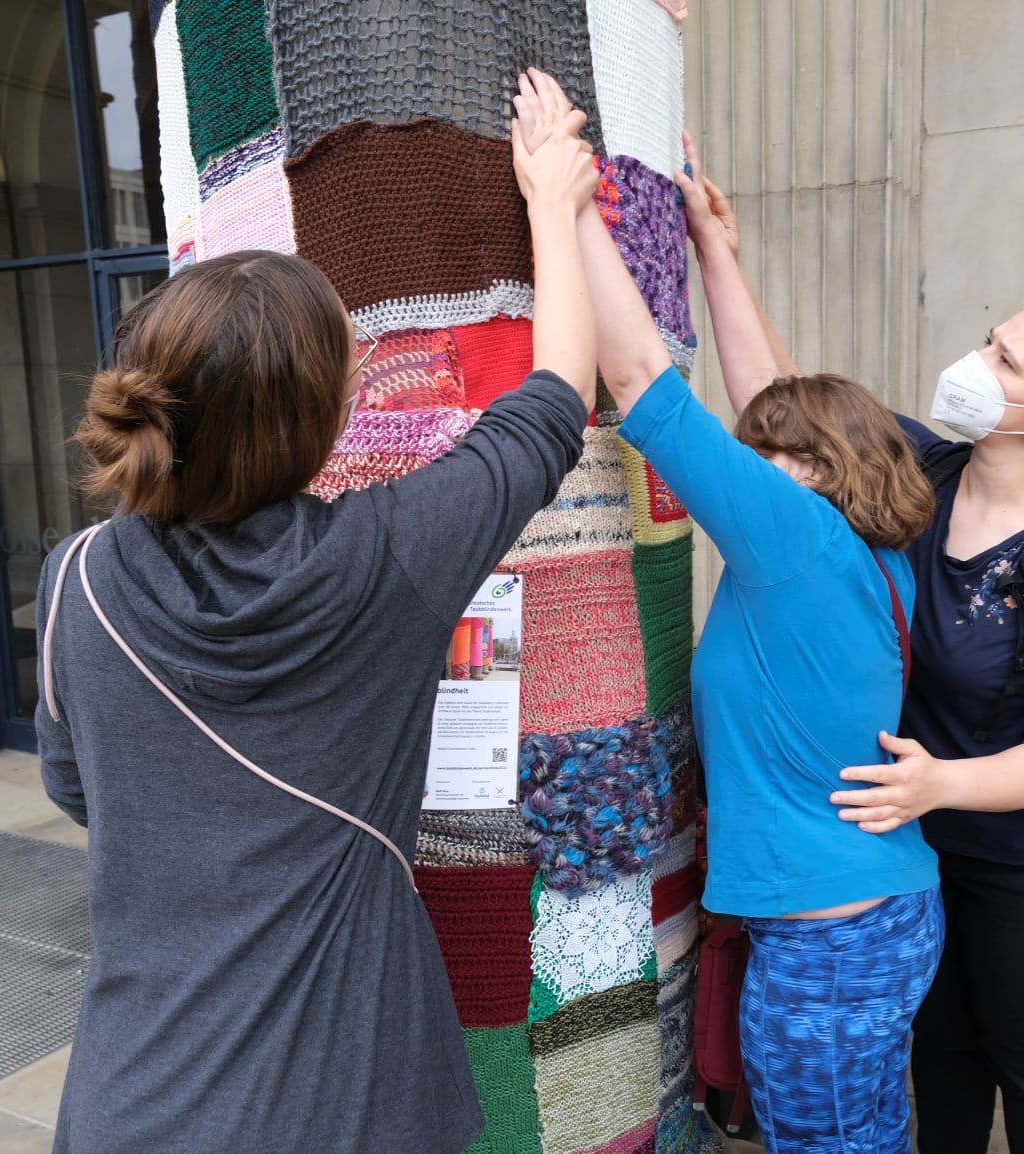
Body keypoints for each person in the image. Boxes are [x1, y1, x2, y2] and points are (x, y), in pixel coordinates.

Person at [33, 87, 600, 1154]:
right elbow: (554, 399)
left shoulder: (76, 580)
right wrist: (554, 204)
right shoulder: (384, 561)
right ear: (322, 419)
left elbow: (80, 791)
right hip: (348, 1093)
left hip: (133, 1099)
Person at [512, 72, 944, 1153]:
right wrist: (715, 252)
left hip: (826, 939)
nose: (744, 461)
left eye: (765, 456)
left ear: (800, 471)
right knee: (868, 1129)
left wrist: (561, 204)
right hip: (878, 909)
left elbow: (640, 377)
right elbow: (784, 402)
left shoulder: (794, 541)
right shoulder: (867, 547)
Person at [676, 150, 1024, 1154]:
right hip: (918, 838)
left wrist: (937, 784)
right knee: (941, 1060)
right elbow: (782, 417)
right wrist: (718, 253)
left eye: (1006, 362)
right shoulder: (928, 466)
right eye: (989, 340)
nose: (977, 365)